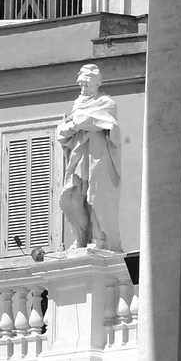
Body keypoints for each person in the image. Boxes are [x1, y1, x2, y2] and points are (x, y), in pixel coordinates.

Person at [56, 63, 121, 250]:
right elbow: (63, 131)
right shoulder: (77, 105)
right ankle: (81, 236)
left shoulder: (106, 103)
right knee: (74, 198)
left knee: (95, 197)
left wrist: (78, 123)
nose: (83, 88)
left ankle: (99, 238)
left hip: (98, 155)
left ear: (97, 84)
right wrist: (76, 124)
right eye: (81, 84)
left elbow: (107, 124)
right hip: (79, 155)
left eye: (87, 84)